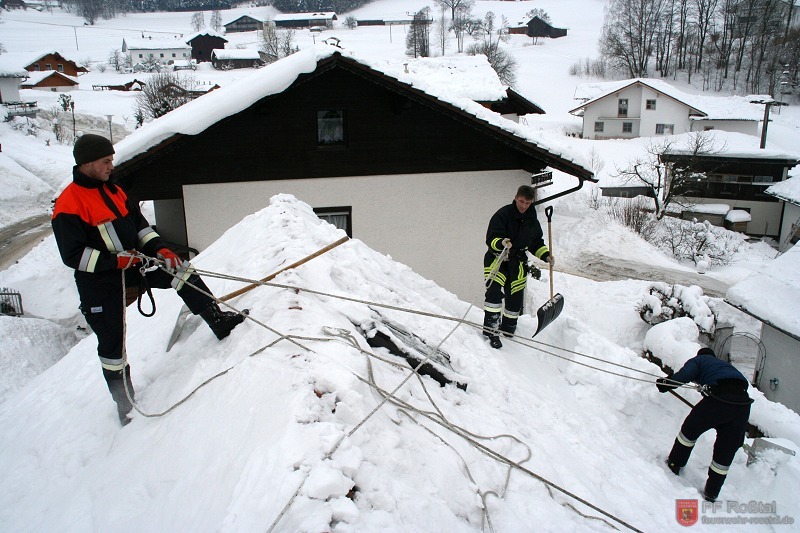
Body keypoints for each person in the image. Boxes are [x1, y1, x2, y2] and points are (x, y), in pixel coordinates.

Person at [52, 134, 246, 426]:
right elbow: (73, 256)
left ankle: (218, 321)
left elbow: (140, 228)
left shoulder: (114, 191)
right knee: (112, 346)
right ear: (88, 163)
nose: (110, 166)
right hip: (99, 283)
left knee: (182, 270)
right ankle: (124, 403)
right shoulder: (69, 204)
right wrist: (113, 261)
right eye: (105, 161)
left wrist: (160, 249)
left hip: (133, 265)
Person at [656, 347, 753, 502]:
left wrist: (666, 384)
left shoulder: (700, 360)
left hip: (719, 400)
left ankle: (675, 463)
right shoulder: (727, 367)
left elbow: (686, 374)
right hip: (742, 407)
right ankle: (712, 492)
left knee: (690, 430)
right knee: (725, 451)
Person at [483, 185, 552, 348]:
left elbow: (536, 242)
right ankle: (491, 331)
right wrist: (501, 242)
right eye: (521, 201)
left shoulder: (532, 221)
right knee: (494, 295)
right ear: (515, 197)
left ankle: (509, 330)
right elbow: (491, 238)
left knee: (514, 299)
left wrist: (546, 255)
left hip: (518, 263)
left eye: (528, 202)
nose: (524, 205)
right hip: (497, 260)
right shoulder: (503, 214)